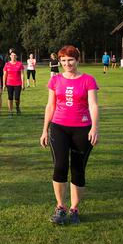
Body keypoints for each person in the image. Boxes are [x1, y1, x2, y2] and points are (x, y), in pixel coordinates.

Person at [40, 45, 99, 225]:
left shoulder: (88, 80)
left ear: (77, 60)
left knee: (78, 169)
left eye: (70, 60)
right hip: (59, 127)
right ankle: (60, 207)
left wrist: (95, 128)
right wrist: (44, 130)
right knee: (60, 166)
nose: (67, 64)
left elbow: (93, 105)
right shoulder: (55, 80)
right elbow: (50, 106)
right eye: (63, 60)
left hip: (82, 129)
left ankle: (74, 209)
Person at [3, 50, 25, 116]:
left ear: (16, 56)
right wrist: (4, 84)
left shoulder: (20, 64)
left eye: (15, 55)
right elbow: (5, 75)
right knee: (10, 97)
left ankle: (17, 107)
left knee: (17, 98)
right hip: (9, 83)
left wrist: (23, 84)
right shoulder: (7, 64)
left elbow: (22, 74)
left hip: (18, 83)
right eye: (12, 55)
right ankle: (10, 111)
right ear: (10, 56)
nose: (13, 56)